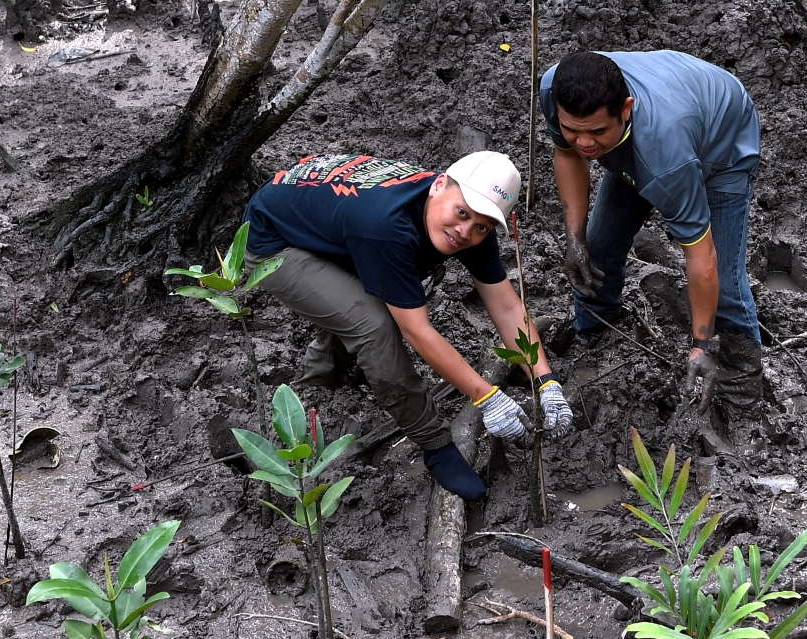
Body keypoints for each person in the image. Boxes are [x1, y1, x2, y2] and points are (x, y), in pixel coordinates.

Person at [243, 151, 573, 501]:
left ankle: (320, 380)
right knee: (376, 325)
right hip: (275, 240)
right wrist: (487, 397)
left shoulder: (472, 219)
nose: (465, 232)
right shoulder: (385, 226)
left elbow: (507, 308)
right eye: (461, 213)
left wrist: (545, 381)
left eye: (482, 226)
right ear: (440, 184)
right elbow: (417, 330)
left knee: (372, 294)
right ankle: (435, 446)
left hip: (331, 222)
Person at [540, 51, 763, 415]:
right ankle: (596, 332)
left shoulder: (667, 161)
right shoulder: (556, 87)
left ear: (626, 108)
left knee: (725, 284)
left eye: (596, 131)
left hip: (724, 136)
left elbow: (701, 258)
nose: (584, 143)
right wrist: (574, 238)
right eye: (572, 129)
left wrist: (700, 346)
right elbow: (567, 155)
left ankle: (742, 389)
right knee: (595, 249)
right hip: (668, 108)